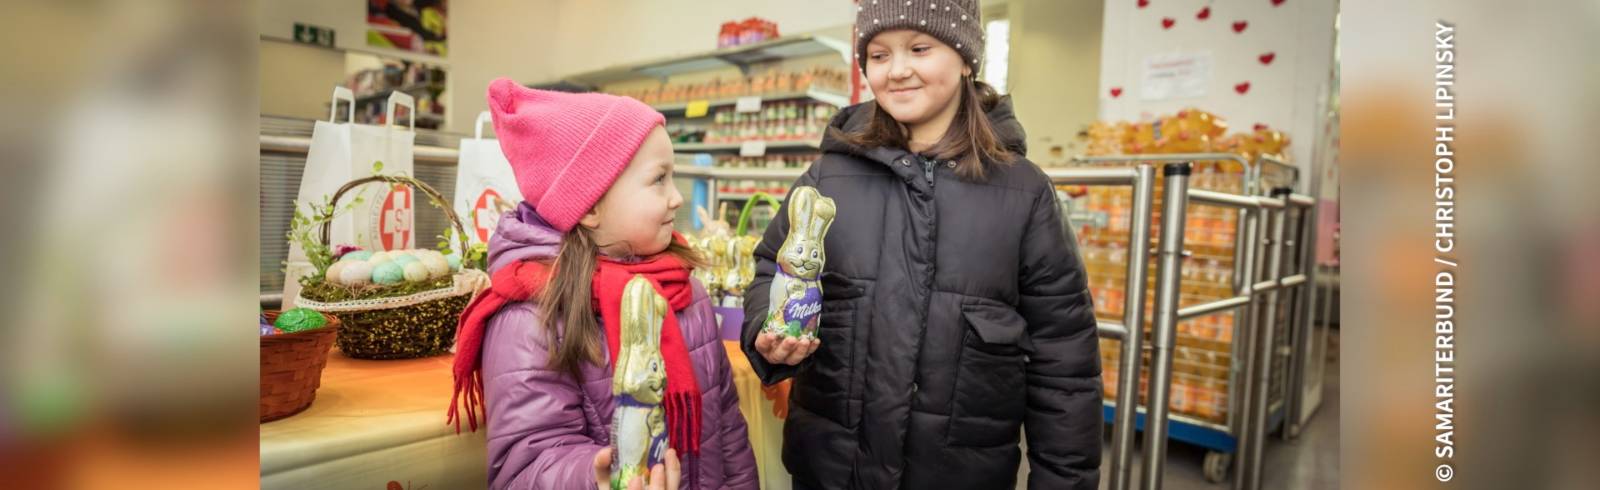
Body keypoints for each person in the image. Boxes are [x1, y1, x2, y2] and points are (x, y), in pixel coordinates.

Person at [740, 2, 1102, 489]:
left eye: (919, 48)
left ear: (966, 57)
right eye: (879, 54)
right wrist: (768, 329)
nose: (898, 71)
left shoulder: (1024, 193)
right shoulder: (830, 175)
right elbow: (771, 266)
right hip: (832, 470)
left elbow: (1065, 362)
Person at [449, 79, 757, 490]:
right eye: (658, 179)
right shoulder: (533, 315)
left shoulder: (685, 292)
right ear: (590, 205)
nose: (677, 197)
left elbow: (728, 432)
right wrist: (593, 477)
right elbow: (525, 463)